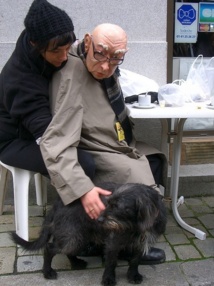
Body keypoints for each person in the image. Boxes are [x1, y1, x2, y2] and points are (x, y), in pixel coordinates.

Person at [40, 23, 167, 264]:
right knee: (137, 182)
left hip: (115, 141)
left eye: (116, 58)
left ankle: (136, 234)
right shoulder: (72, 78)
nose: (106, 66)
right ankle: (122, 243)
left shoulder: (101, 67)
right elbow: (57, 143)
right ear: (87, 43)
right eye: (100, 55)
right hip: (95, 147)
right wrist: (81, 190)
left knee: (155, 159)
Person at [0, 0, 95, 179]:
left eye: (68, 48)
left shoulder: (45, 46)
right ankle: (72, 207)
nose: (64, 56)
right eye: (57, 51)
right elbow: (45, 134)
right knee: (83, 164)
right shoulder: (20, 79)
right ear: (35, 44)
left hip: (43, 129)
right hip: (14, 141)